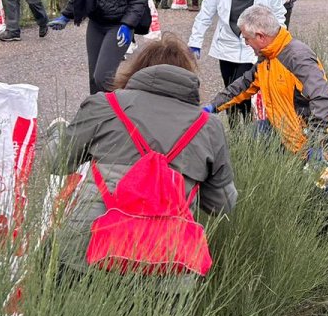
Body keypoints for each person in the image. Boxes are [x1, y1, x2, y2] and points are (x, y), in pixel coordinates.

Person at [48, 33, 236, 280]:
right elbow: (222, 205)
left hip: (86, 253)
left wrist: (57, 130)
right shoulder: (208, 126)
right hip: (167, 268)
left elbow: (58, 160)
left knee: (52, 275)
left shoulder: (105, 105)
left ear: (136, 69)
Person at [208, 6, 328, 268]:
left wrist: (317, 148)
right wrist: (212, 107)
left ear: (261, 36)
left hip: (319, 142)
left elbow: (322, 98)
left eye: (246, 37)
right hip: (288, 135)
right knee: (255, 134)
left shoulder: (296, 57)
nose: (245, 42)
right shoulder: (267, 58)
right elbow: (245, 85)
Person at [187, 0, 286, 108]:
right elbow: (206, 13)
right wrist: (195, 41)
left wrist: (280, 44)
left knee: (243, 92)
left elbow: (279, 15)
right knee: (229, 93)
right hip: (226, 47)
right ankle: (234, 131)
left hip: (252, 48)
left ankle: (246, 128)